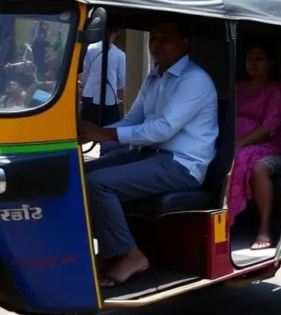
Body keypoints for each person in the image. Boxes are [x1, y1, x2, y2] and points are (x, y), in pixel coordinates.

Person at [77, 21, 218, 287]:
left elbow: (162, 129)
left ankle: (131, 256)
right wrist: (89, 133)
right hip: (151, 155)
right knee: (81, 172)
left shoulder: (194, 80)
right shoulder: (155, 77)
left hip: (182, 165)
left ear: (184, 43)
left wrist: (105, 135)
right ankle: (108, 253)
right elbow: (133, 121)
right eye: (153, 37)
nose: (156, 43)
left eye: (165, 38)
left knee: (98, 185)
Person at [228, 45, 281, 249]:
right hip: (233, 141)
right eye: (249, 58)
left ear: (271, 63)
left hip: (267, 144)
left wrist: (240, 143)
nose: (253, 63)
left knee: (254, 165)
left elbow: (270, 125)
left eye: (260, 58)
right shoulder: (237, 87)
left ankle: (264, 228)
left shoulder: (277, 89)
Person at [80, 28, 126, 127]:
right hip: (109, 97)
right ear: (116, 33)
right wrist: (119, 92)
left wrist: (85, 85)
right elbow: (121, 80)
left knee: (87, 126)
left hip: (89, 93)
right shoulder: (120, 55)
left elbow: (86, 71)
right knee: (107, 127)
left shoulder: (91, 48)